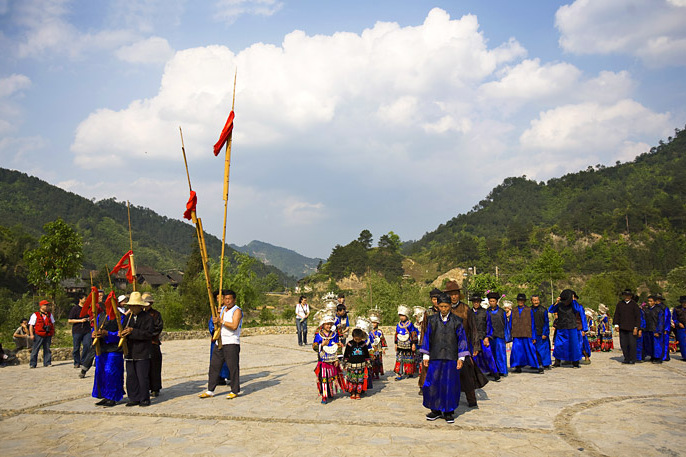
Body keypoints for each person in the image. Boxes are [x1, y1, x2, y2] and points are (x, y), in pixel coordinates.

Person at [420, 292, 469, 424]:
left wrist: (461, 358)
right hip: (436, 357)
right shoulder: (432, 320)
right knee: (433, 382)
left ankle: (448, 411)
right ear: (438, 306)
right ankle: (435, 409)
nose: (443, 309)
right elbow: (427, 338)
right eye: (441, 306)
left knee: (450, 384)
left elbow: (462, 340)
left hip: (451, 358)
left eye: (446, 306)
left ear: (450, 307)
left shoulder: (457, 321)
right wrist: (426, 355)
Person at [445, 280, 487, 407]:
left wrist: (475, 346)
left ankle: (472, 400)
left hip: (464, 346)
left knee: (467, 374)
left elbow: (473, 329)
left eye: (455, 293)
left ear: (459, 295)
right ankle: (450, 399)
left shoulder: (466, 309)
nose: (453, 296)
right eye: (451, 294)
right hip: (447, 347)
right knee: (449, 375)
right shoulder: (444, 309)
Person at [200, 289, 242, 400]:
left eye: (229, 299)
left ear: (234, 300)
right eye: (225, 299)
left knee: (233, 367)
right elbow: (216, 321)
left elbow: (234, 326)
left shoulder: (237, 311)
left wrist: (221, 321)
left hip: (231, 342)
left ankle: (235, 390)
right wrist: (216, 320)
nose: (227, 301)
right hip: (220, 342)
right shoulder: (222, 309)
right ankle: (210, 390)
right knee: (214, 366)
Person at [119, 291, 154, 407]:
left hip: (142, 351)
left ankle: (144, 398)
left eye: (134, 306)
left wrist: (133, 331)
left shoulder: (148, 318)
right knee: (131, 376)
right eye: (130, 306)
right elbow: (123, 329)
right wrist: (123, 333)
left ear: (140, 306)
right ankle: (134, 397)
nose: (132, 308)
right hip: (130, 351)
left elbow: (149, 334)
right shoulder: (127, 318)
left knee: (142, 376)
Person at [92, 295, 126, 407]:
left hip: (114, 349)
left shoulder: (120, 317)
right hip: (102, 349)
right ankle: (105, 395)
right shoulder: (100, 316)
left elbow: (121, 334)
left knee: (111, 371)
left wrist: (108, 334)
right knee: (101, 372)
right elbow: (94, 328)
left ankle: (113, 396)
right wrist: (94, 333)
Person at [548, 289, 588, 368]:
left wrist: (573, 300)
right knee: (558, 345)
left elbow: (577, 309)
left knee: (573, 346)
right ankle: (557, 362)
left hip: (572, 328)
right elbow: (551, 310)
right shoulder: (559, 305)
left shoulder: (574, 305)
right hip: (561, 328)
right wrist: (556, 302)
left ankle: (575, 362)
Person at [312, 310, 345, 404]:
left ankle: (330, 392)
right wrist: (321, 345)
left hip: (332, 360)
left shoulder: (334, 335)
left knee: (332, 378)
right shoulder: (319, 335)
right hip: (323, 361)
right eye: (327, 324)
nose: (329, 326)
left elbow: (337, 345)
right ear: (323, 324)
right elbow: (314, 347)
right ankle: (324, 395)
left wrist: (337, 359)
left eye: (330, 324)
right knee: (323, 379)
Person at [509, 293, 543, 374]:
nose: (520, 302)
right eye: (519, 300)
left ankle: (537, 366)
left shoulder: (529, 310)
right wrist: (510, 334)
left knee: (530, 350)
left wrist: (533, 336)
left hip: (527, 334)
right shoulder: (514, 310)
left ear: (524, 301)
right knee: (517, 351)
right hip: (517, 334)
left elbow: (532, 323)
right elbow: (510, 323)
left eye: (522, 300)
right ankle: (517, 366)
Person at [470, 294, 500, 381]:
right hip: (472, 338)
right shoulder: (469, 312)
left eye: (477, 302)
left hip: (483, 337)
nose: (476, 303)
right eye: (474, 302)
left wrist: (487, 337)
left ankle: (495, 373)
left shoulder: (484, 312)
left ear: (479, 302)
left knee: (488, 355)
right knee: (474, 357)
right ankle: (476, 375)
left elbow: (489, 325)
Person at [343, 319, 372, 400]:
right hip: (351, 365)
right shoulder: (349, 344)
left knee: (360, 380)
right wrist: (345, 362)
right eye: (356, 339)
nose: (358, 341)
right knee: (352, 380)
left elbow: (366, 354)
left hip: (361, 365)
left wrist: (368, 362)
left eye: (359, 339)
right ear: (353, 337)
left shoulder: (363, 344)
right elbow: (346, 354)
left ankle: (358, 393)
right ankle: (352, 392)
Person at [142, 293, 164, 397]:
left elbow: (158, 328)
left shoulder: (156, 314)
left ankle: (155, 388)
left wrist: (148, 335)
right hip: (142, 345)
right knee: (143, 368)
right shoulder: (139, 315)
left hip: (153, 343)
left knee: (154, 367)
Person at [613, 289, 642, 364]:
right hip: (623, 327)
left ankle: (632, 359)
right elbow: (617, 315)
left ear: (631, 296)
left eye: (628, 295)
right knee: (623, 344)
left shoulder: (634, 305)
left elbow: (637, 317)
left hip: (631, 328)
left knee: (632, 344)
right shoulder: (620, 304)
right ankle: (626, 358)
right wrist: (616, 324)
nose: (626, 297)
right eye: (625, 295)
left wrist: (636, 327)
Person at [486, 292, 509, 377]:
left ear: (496, 302)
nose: (492, 302)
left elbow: (506, 324)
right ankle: (492, 370)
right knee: (491, 354)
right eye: (490, 301)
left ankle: (502, 370)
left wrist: (507, 337)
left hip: (500, 336)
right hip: (490, 336)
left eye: (493, 301)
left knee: (500, 354)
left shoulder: (501, 312)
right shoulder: (487, 312)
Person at [68, 293, 92, 369]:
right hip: (77, 330)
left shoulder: (88, 308)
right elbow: (70, 320)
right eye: (84, 298)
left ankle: (83, 360)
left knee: (87, 345)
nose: (85, 300)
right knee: (76, 347)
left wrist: (89, 319)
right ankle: (77, 362)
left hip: (87, 330)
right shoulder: (75, 309)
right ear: (80, 300)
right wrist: (80, 320)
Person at [394, 305, 418, 380]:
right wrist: (395, 344)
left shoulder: (410, 324)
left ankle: (409, 372)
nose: (401, 317)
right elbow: (396, 334)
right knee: (399, 359)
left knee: (409, 359)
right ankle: (399, 374)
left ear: (406, 316)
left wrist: (413, 344)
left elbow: (413, 334)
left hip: (408, 344)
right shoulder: (398, 325)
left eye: (403, 316)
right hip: (400, 345)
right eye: (400, 315)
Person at [28, 300, 55, 368]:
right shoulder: (35, 315)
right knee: (35, 349)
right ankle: (32, 363)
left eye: (47, 305)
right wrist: (31, 334)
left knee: (47, 349)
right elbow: (31, 325)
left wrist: (52, 332)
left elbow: (53, 323)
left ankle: (47, 362)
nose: (47, 307)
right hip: (38, 334)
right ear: (41, 306)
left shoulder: (49, 314)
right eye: (45, 305)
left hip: (47, 334)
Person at [642, 295, 664, 364]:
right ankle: (652, 356)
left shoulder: (659, 310)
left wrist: (659, 331)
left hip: (655, 329)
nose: (649, 302)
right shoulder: (646, 310)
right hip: (648, 329)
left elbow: (660, 321)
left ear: (654, 302)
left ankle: (658, 358)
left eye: (651, 301)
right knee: (649, 344)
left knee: (657, 345)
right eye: (648, 301)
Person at [531, 295, 551, 369]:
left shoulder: (543, 310)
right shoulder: (530, 310)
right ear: (531, 301)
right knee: (534, 349)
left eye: (537, 300)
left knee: (543, 349)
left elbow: (546, 322)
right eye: (534, 300)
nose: (536, 302)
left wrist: (545, 333)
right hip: (533, 333)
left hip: (542, 333)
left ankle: (545, 364)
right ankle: (535, 364)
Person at [369, 311, 387, 380]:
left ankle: (377, 374)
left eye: (375, 323)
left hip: (378, 349)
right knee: (372, 362)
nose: (373, 324)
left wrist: (384, 348)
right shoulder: (368, 331)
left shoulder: (379, 331)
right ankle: (372, 374)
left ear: (377, 323)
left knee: (377, 362)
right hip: (371, 349)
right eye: (372, 323)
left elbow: (383, 340)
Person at [655, 294, 671, 362]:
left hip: (663, 328)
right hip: (656, 327)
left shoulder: (664, 308)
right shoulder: (654, 307)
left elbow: (667, 318)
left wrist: (666, 329)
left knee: (664, 343)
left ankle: (664, 356)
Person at [672, 296, 686, 361]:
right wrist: (678, 323)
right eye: (683, 303)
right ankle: (685, 356)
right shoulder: (677, 309)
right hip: (681, 328)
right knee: (682, 342)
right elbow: (674, 318)